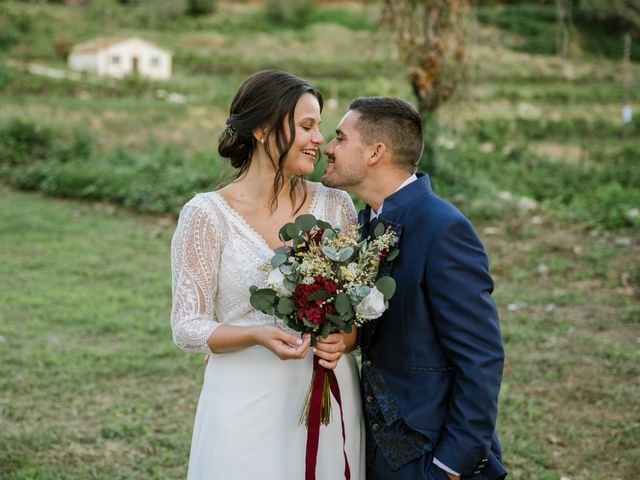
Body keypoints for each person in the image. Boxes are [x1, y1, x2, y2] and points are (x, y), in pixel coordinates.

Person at [170, 70, 364, 479]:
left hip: (326, 393)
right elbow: (187, 326)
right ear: (261, 129)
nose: (319, 140)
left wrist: (346, 339)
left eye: (320, 127)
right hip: (243, 401)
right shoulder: (206, 215)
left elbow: (359, 309)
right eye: (306, 126)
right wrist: (255, 334)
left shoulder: (337, 206)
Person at [317, 96, 507, 480]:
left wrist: (451, 466)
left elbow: (481, 358)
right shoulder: (361, 225)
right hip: (369, 447)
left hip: (429, 453)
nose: (328, 148)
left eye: (339, 137)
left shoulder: (444, 229)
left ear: (375, 152)